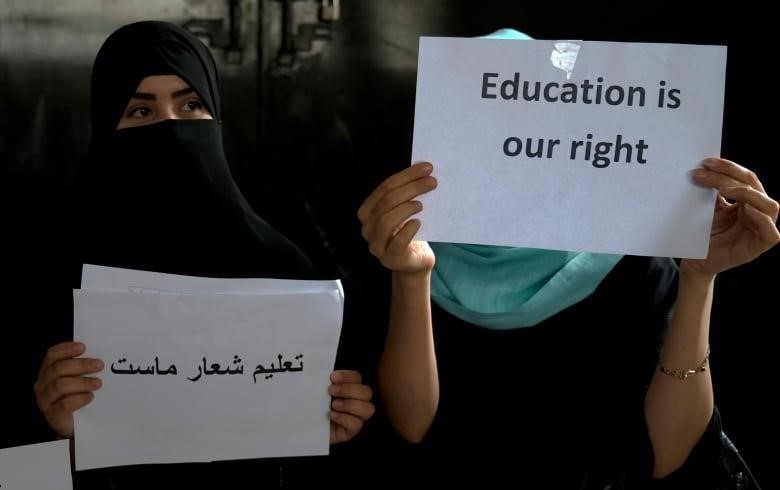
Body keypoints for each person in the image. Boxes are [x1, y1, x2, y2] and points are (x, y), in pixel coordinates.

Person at [357, 29, 778, 489]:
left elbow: (668, 454)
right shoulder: (402, 248)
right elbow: (413, 428)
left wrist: (698, 277)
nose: (512, 147)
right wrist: (412, 277)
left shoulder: (630, 264)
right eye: (486, 123)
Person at [31, 21, 374, 488]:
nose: (170, 127)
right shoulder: (48, 274)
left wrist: (327, 432)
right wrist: (61, 437)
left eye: (191, 104)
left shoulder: (283, 273)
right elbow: (17, 474)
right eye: (139, 111)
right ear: (104, 124)